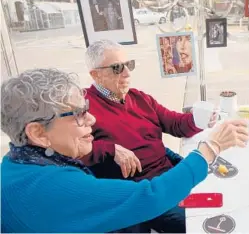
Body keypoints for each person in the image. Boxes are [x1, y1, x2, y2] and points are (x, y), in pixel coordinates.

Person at [0, 68, 249, 233]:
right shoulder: (48, 186)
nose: (91, 120)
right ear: (38, 133)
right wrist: (210, 149)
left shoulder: (17, 165)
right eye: (77, 114)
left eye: (86, 108)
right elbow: (149, 196)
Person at [82, 39, 207, 232]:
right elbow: (70, 149)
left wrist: (202, 118)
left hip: (169, 177)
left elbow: (175, 124)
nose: (127, 73)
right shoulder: (84, 107)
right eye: (117, 68)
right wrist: (110, 148)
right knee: (203, 222)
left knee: (224, 198)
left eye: (128, 65)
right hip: (142, 194)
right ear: (95, 75)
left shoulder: (139, 98)